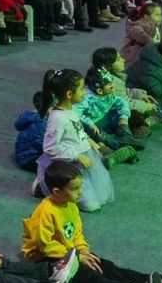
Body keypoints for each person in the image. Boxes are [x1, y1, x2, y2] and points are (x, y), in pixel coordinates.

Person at [22, 161, 162, 283]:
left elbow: (76, 233)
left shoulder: (70, 205)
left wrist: (82, 250)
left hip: (69, 252)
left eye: (80, 187)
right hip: (46, 259)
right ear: (57, 192)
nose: (80, 192)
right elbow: (45, 246)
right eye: (74, 189)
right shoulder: (45, 213)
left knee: (103, 265)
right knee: (90, 276)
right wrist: (76, 257)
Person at [32, 69, 114, 212]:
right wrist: (77, 156)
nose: (85, 92)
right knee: (91, 205)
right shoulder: (57, 119)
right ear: (69, 94)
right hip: (69, 165)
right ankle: (42, 186)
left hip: (83, 159)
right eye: (82, 89)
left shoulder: (72, 109)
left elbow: (77, 130)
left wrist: (89, 141)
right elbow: (50, 148)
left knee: (100, 196)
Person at [120, 2, 162, 66]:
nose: (161, 17)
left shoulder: (156, 26)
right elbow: (136, 31)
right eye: (157, 15)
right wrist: (148, 40)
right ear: (146, 16)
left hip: (148, 56)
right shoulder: (144, 24)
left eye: (161, 14)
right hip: (135, 58)